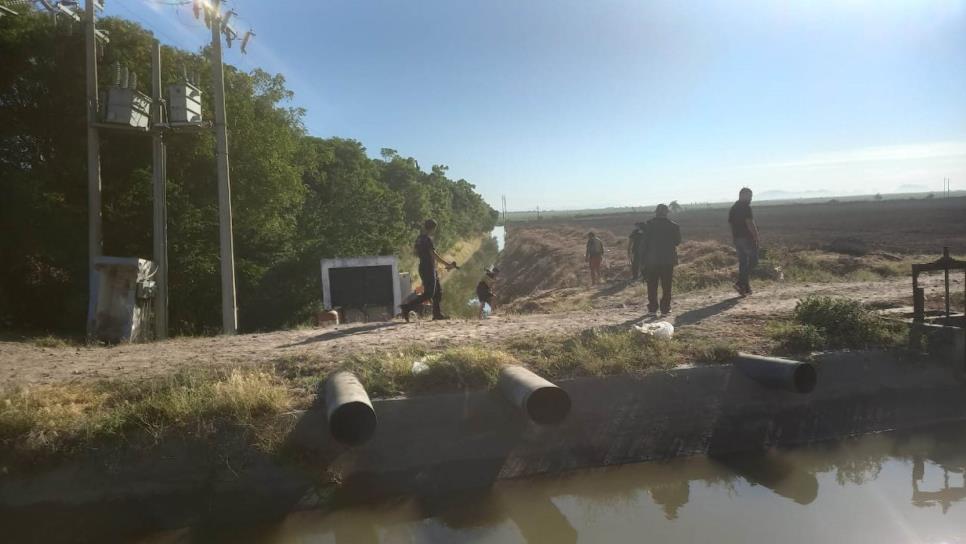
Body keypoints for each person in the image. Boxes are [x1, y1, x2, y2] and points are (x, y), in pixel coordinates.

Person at [400, 219, 457, 321]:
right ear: (433, 228)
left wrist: (426, 259)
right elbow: (434, 255)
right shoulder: (427, 239)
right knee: (429, 294)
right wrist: (447, 264)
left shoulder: (419, 239)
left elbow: (415, 253)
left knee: (438, 291)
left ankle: (437, 314)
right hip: (428, 268)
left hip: (424, 266)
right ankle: (407, 307)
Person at [641, 204, 681, 316]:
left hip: (651, 260)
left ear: (656, 212)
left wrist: (642, 261)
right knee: (666, 285)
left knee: (652, 285)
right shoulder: (674, 226)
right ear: (667, 213)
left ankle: (652, 309)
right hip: (668, 260)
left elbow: (644, 244)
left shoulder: (648, 225)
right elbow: (677, 242)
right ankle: (665, 309)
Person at [728, 187, 760, 296]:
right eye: (749, 196)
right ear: (742, 195)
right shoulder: (746, 207)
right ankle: (740, 283)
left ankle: (745, 287)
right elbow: (749, 223)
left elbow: (732, 225)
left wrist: (734, 238)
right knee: (753, 261)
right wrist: (756, 236)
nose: (751, 198)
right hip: (747, 238)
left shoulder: (733, 208)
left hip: (737, 239)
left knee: (743, 263)